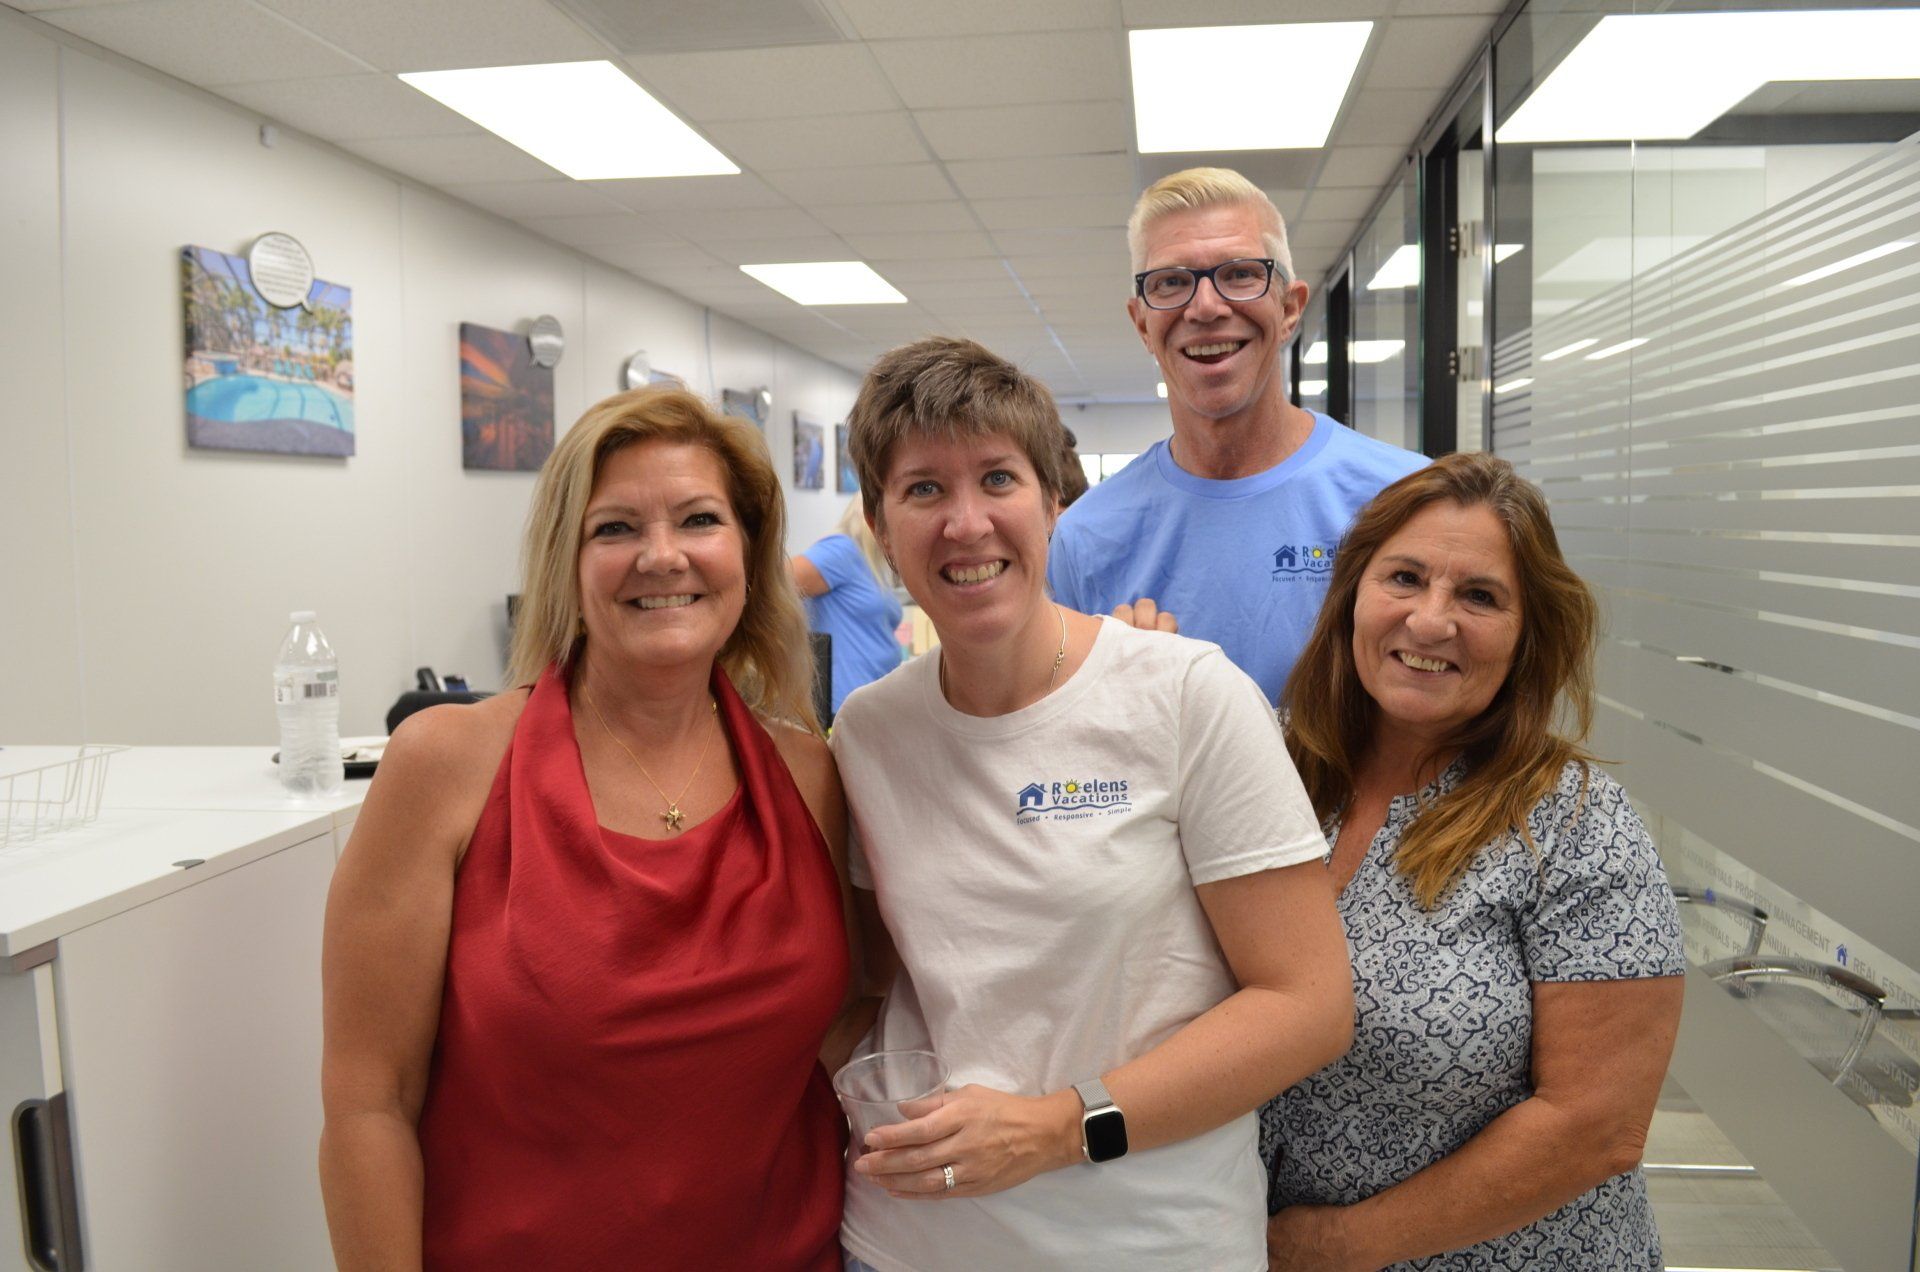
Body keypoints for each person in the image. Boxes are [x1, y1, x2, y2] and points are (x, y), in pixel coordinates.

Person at [832, 336, 1355, 1271]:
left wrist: (1054, 1129)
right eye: (923, 489)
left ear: (1053, 504)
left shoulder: (1186, 693)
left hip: (1148, 1242)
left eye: (998, 478)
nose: (965, 523)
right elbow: (877, 981)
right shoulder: (870, 732)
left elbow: (1307, 1006)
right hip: (909, 1242)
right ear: (879, 522)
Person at [317, 386, 863, 1271]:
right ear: (565, 563)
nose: (662, 556)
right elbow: (369, 1104)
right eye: (614, 529)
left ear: (748, 550)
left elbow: (848, 1029)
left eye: (699, 520)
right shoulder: (447, 767)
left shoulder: (809, 773)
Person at [1260, 452, 1686, 1269]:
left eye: (1480, 597)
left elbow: (1597, 1127)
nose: (1430, 622)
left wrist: (1338, 1246)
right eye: (1405, 578)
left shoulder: (1576, 825)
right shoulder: (1266, 769)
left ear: (1529, 635)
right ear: (1352, 595)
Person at [1048, 167, 1427, 702]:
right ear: (1142, 324)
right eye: (1170, 282)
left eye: (1241, 274)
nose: (1205, 307)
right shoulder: (1086, 537)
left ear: (1289, 308)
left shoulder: (1407, 496)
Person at [791, 498, 903, 718]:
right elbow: (773, 585)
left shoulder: (874, 565)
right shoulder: (842, 550)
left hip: (874, 704)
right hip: (842, 704)